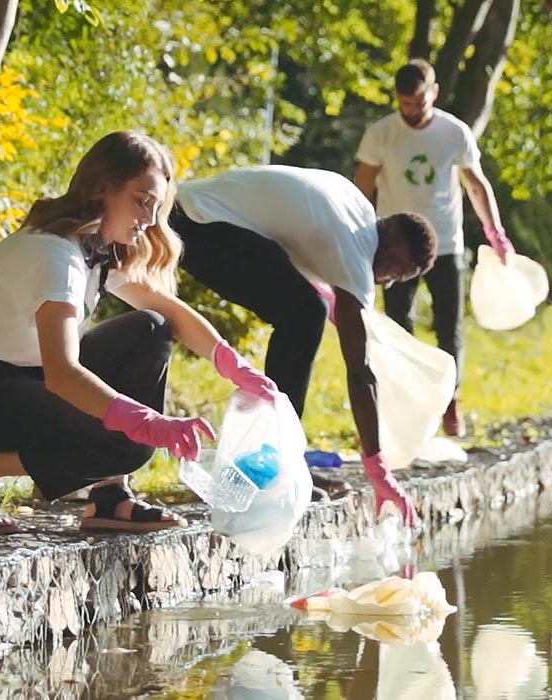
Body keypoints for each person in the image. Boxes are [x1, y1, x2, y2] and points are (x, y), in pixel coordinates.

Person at [0, 131, 279, 536]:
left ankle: (111, 498)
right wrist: (147, 423)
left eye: (156, 205)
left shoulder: (96, 249)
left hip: (23, 375)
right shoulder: (56, 256)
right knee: (127, 445)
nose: (149, 217)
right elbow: (62, 374)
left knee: (151, 328)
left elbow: (168, 310)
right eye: (141, 201)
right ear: (102, 188)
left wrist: (234, 366)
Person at [170, 164, 437, 526]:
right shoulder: (357, 254)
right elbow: (360, 374)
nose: (387, 284)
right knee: (304, 315)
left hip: (185, 206)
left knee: (305, 309)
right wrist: (379, 471)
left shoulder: (355, 208)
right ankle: (280, 465)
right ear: (395, 247)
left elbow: (297, 252)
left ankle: (281, 460)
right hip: (200, 225)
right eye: (396, 274)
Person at [354, 58, 513, 438]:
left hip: (445, 243)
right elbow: (361, 189)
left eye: (419, 104)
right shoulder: (381, 134)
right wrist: (356, 236)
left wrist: (496, 233)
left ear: (434, 93)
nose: (412, 112)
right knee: (397, 326)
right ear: (397, 98)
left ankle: (450, 402)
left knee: (448, 328)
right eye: (405, 104)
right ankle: (403, 404)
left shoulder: (454, 132)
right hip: (395, 246)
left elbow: (476, 185)